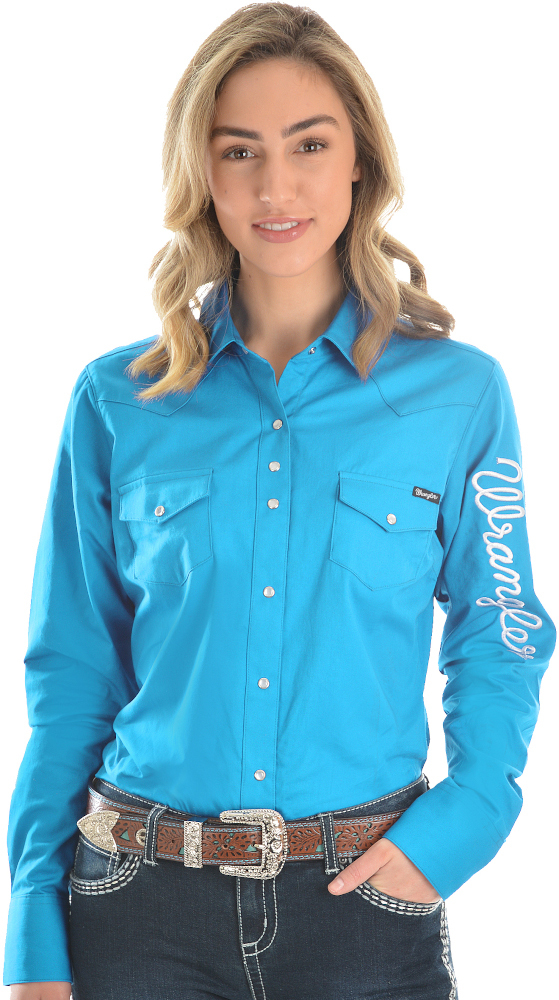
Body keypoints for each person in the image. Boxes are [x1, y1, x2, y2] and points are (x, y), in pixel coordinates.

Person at [4, 3, 556, 998]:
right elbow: (72, 673)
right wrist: (30, 929)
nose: (275, 187)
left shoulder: (460, 394)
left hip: (367, 901)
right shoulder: (117, 400)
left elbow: (501, 627)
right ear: (201, 174)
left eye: (309, 144)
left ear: (360, 161)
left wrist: (469, 814)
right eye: (238, 151)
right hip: (136, 911)